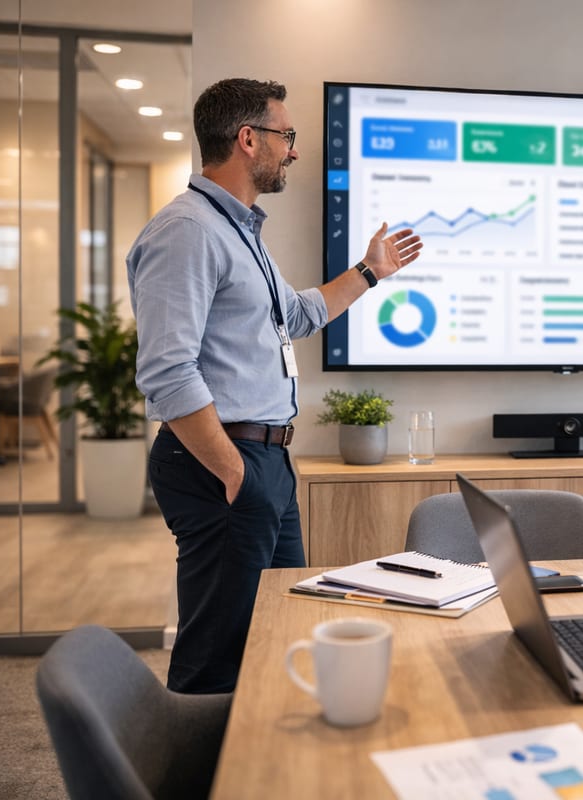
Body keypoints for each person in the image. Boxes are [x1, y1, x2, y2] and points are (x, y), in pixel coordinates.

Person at [127, 78, 422, 694]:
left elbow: (297, 315)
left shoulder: (238, 230)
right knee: (218, 652)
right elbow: (166, 370)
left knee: (278, 632)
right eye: (285, 136)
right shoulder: (188, 231)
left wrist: (371, 270)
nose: (292, 150)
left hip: (263, 462)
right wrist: (232, 470)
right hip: (224, 462)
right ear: (247, 139)